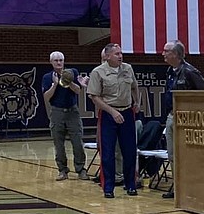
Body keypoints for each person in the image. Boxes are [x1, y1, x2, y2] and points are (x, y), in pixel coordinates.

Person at [88, 43, 140, 198]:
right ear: (108, 56)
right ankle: (108, 187)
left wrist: (137, 102)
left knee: (129, 151)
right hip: (108, 114)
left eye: (121, 53)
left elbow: (135, 86)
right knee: (108, 152)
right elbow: (94, 96)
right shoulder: (98, 72)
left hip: (127, 112)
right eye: (117, 54)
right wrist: (112, 111)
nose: (120, 56)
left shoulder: (128, 68)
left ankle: (130, 184)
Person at [161, 40, 204, 198]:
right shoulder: (170, 71)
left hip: (187, 120)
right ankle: (177, 187)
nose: (163, 54)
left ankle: (191, 186)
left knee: (187, 155)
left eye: (166, 51)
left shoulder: (190, 72)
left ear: (175, 54)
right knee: (172, 155)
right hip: (171, 117)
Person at [41, 51, 89, 181]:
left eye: (61, 60)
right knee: (59, 144)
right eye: (56, 60)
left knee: (77, 142)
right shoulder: (47, 77)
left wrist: (68, 81)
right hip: (57, 112)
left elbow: (78, 90)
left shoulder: (72, 72)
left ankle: (81, 169)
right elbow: (46, 97)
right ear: (51, 62)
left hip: (72, 111)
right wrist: (55, 84)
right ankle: (62, 170)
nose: (59, 63)